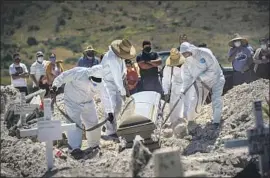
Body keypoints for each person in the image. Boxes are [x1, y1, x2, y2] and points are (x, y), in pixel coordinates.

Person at [51, 65, 114, 159]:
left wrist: (109, 111)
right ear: (90, 76)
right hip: (73, 101)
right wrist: (55, 85)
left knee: (93, 122)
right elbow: (63, 76)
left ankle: (94, 145)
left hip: (88, 101)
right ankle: (74, 149)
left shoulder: (101, 82)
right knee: (74, 124)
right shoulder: (78, 72)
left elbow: (105, 96)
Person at [180, 42, 225, 128]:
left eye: (186, 53)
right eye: (183, 54)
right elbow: (187, 77)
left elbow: (213, 70)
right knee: (195, 100)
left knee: (216, 98)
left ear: (190, 49)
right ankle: (191, 121)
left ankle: (216, 121)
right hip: (200, 82)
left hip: (216, 78)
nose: (185, 55)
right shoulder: (186, 61)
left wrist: (201, 77)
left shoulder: (205, 53)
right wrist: (184, 89)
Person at [100, 39, 136, 139]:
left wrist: (123, 84)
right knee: (110, 107)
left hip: (116, 83)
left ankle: (113, 127)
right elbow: (116, 75)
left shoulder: (120, 57)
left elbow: (121, 72)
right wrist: (123, 90)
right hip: (107, 83)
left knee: (118, 106)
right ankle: (110, 131)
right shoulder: (111, 57)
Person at [162, 48, 199, 137]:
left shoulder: (188, 63)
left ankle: (188, 123)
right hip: (176, 87)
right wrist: (166, 92)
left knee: (188, 103)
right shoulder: (168, 67)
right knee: (175, 106)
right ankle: (175, 125)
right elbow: (166, 80)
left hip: (188, 85)